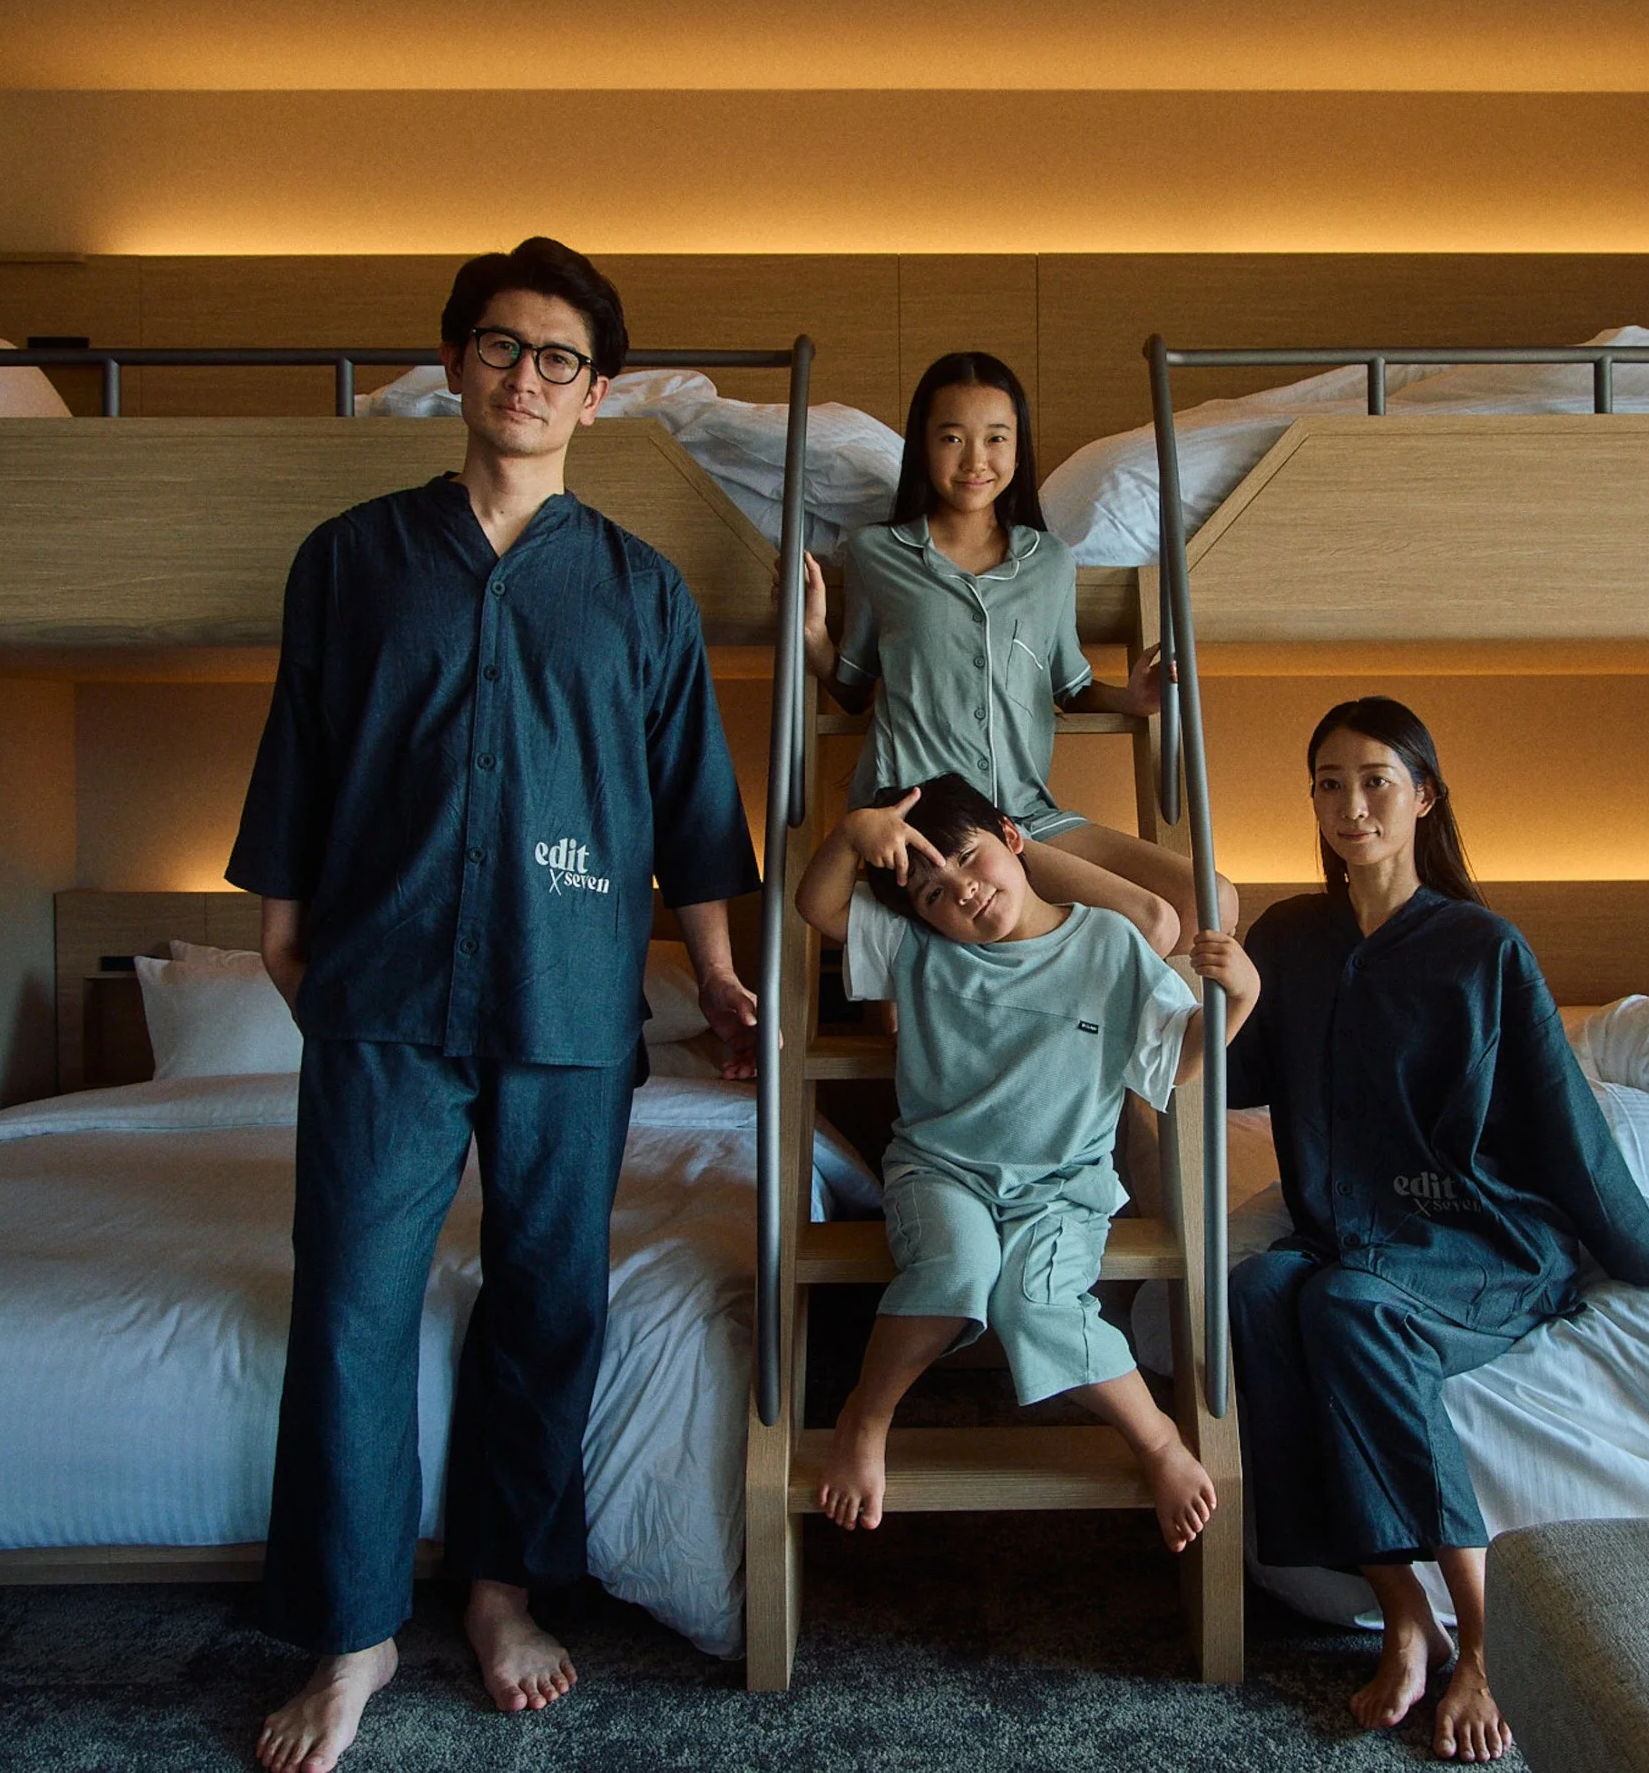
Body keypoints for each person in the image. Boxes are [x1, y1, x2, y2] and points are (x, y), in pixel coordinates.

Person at [228, 238, 762, 1773]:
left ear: (597, 396)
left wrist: (716, 967)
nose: (528, 378)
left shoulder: (641, 592)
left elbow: (692, 809)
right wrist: (281, 925)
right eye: (502, 347)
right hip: (383, 979)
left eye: (560, 360)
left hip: (571, 984)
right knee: (349, 1293)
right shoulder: (348, 560)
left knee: (547, 1295)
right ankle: (352, 1630)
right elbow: (303, 753)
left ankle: (501, 1588)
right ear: (459, 363)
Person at [1227, 697, 1649, 1764]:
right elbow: (1234, 1078)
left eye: (1373, 780)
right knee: (1261, 1292)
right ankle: (1398, 1607)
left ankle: (1484, 1642)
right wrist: (1212, 995)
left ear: (1422, 797)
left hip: (1484, 1240)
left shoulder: (1480, 948)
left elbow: (1567, 1125)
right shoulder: (1288, 938)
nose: (1348, 804)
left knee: (1346, 1305)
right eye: (1326, 781)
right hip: (1353, 1233)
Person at [793, 773, 1257, 1551]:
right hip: (942, 1172)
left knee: (1037, 1303)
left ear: (1013, 838)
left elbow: (1176, 1062)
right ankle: (864, 1419)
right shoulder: (917, 945)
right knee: (958, 1270)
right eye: (934, 892)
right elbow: (818, 907)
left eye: (970, 862)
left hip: (1062, 1187)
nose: (962, 895)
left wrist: (1238, 1001)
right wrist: (849, 836)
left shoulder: (1110, 942)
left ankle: (1159, 1443)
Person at [791, 350, 1234, 953]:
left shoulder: (1050, 561)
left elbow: (1069, 688)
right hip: (932, 825)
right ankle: (1049, 1018)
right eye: (952, 437)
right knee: (1152, 922)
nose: (976, 459)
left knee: (1211, 901)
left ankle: (1046, 989)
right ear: (923, 446)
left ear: (1018, 450)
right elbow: (850, 689)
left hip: (1024, 812)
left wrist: (1130, 698)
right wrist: (814, 637)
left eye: (996, 438)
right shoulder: (878, 555)